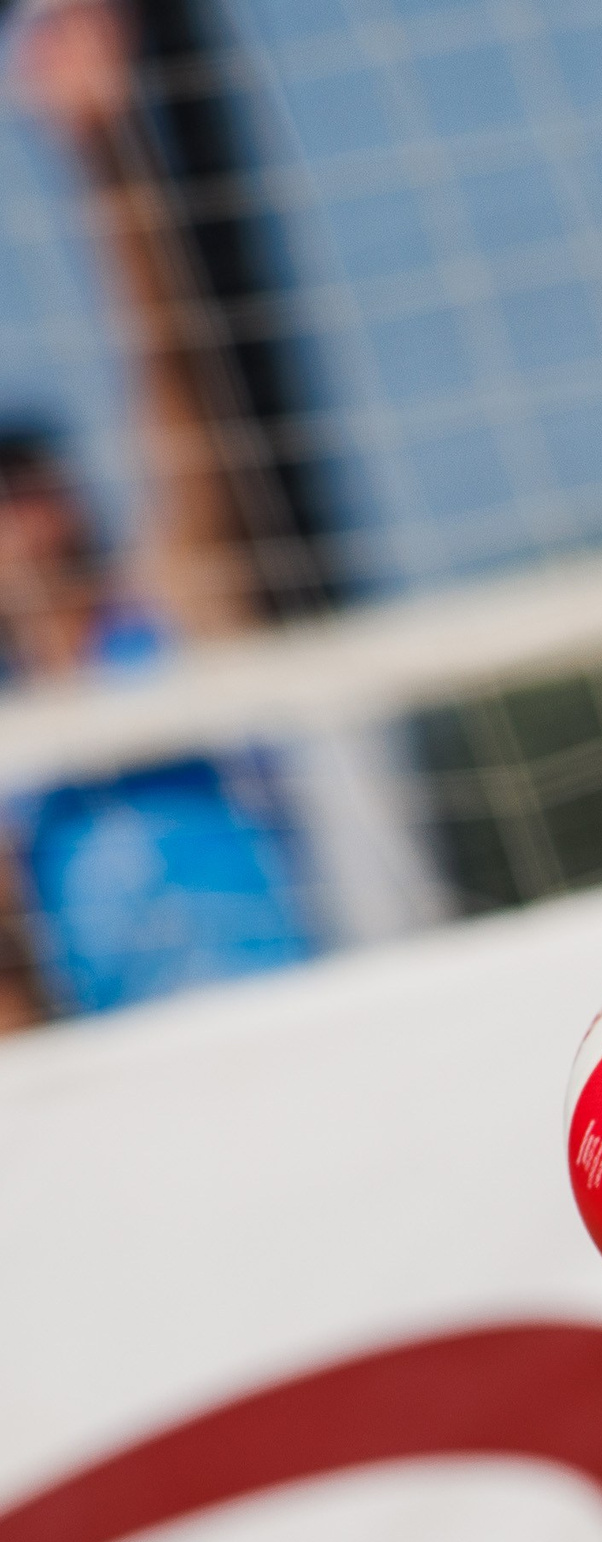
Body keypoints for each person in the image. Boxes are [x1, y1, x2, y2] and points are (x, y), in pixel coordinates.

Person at [0, 0, 310, 1027]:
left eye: (36, 479)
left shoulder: (171, 617)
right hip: (129, 1093)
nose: (28, 508)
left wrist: (104, 155)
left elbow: (170, 367)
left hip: (298, 1024)